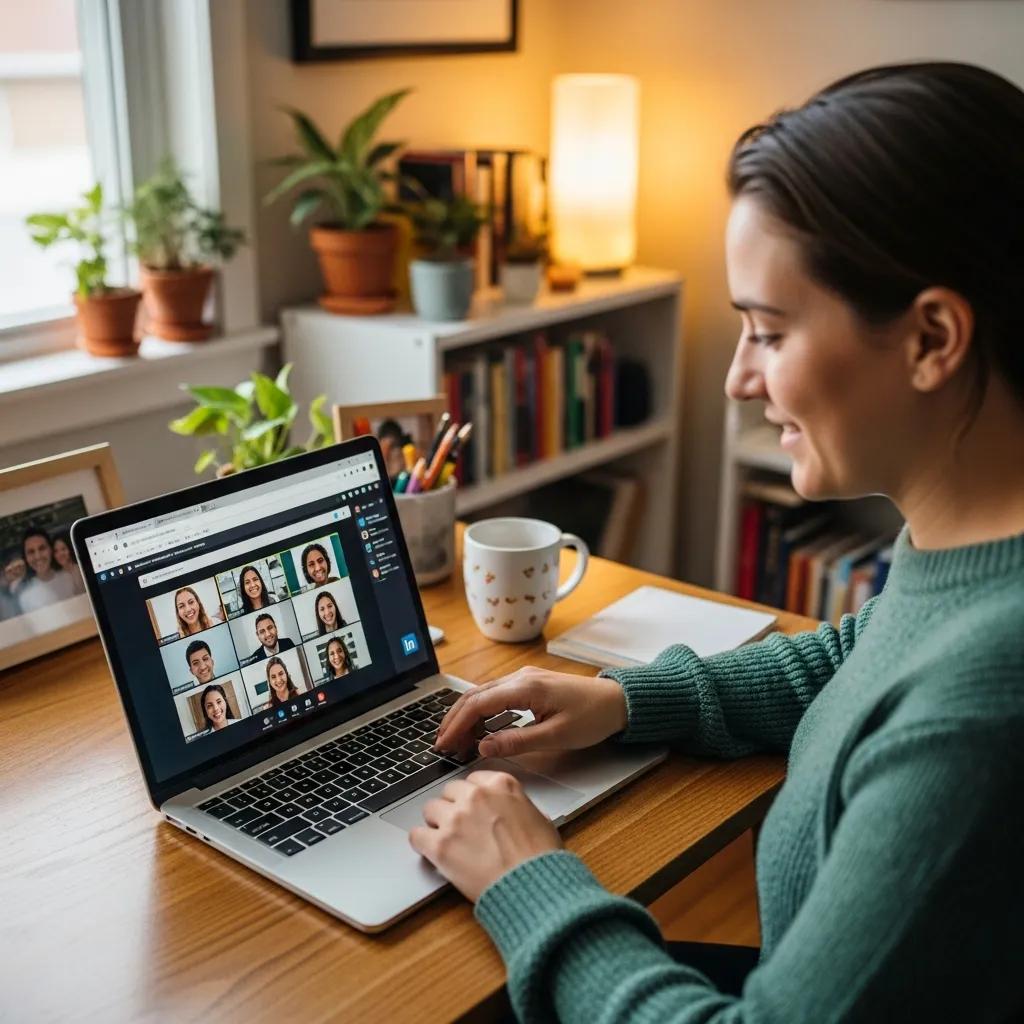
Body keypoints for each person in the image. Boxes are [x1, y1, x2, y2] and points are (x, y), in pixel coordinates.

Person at [415, 63, 1024, 1023]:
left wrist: (529, 879)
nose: (739, 378)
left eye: (768, 332)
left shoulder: (981, 709)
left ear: (932, 339)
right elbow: (860, 654)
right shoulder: (973, 553)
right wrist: (625, 701)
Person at [17, 528, 77, 614]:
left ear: (50, 550)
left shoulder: (69, 578)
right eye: (31, 552)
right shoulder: (25, 596)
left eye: (42, 548)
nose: (38, 556)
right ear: (25, 557)